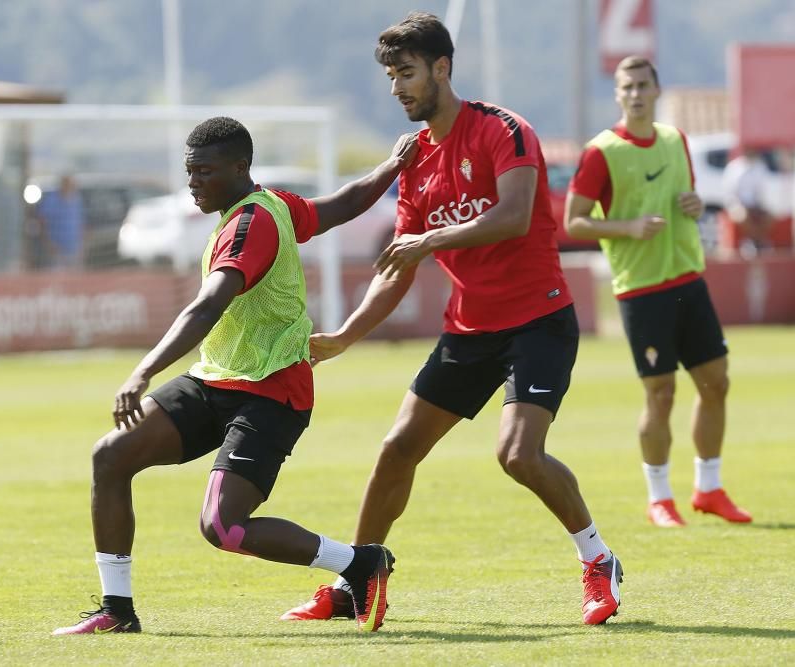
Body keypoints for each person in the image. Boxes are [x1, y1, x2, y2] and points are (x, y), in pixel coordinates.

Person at [281, 12, 622, 627]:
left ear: (442, 68)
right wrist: (345, 335)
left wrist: (432, 239)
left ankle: (598, 561)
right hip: (470, 329)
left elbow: (516, 215)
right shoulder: (414, 160)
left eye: (406, 73)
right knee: (396, 448)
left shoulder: (505, 131)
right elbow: (398, 265)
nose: (397, 89)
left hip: (538, 321)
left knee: (518, 455)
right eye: (390, 77)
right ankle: (358, 577)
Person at [52, 116, 419, 635]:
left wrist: (144, 370)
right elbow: (342, 204)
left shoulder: (253, 224)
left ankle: (360, 563)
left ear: (240, 167)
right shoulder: (273, 205)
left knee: (223, 527)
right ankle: (118, 610)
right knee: (111, 456)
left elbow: (205, 307)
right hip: (218, 379)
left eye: (204, 171)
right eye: (189, 171)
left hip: (271, 391)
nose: (192, 182)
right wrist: (391, 166)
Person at [564, 55, 751, 528]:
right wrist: (627, 227)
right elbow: (573, 222)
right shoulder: (601, 150)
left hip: (688, 277)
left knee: (716, 383)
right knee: (661, 393)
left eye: (643, 85)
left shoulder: (675, 139)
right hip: (641, 289)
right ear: (618, 94)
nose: (635, 94)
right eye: (626, 87)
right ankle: (659, 498)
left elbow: (685, 200)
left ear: (656, 90)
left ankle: (709, 488)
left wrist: (694, 203)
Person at [722, 148, 776, 256]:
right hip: (737, 205)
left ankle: (758, 241)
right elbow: (730, 193)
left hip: (755, 204)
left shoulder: (760, 167)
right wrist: (738, 206)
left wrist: (760, 206)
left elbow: (762, 191)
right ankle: (752, 242)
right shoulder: (734, 167)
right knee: (744, 216)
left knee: (770, 215)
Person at [36, 174, 85, 270]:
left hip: (73, 249)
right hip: (56, 249)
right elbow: (42, 222)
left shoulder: (77, 200)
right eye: (68, 184)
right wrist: (48, 243)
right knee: (55, 277)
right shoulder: (51, 200)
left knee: (74, 279)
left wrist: (81, 246)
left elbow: (80, 224)